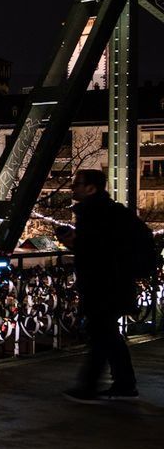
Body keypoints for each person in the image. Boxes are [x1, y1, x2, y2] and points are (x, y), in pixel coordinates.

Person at [54, 169, 141, 402]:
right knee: (108, 334)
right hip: (113, 283)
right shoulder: (108, 212)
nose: (73, 188)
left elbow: (97, 252)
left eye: (77, 184)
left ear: (91, 188)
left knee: (101, 335)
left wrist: (76, 244)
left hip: (103, 286)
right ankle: (124, 384)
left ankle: (90, 387)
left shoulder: (95, 214)